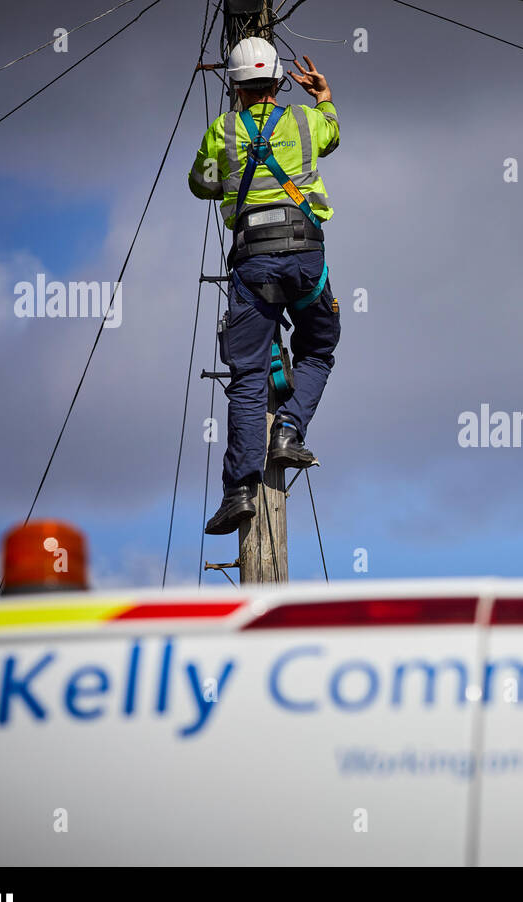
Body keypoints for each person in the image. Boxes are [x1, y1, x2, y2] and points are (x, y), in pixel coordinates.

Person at [189, 36, 341, 535]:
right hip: (304, 258)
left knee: (249, 376)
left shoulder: (221, 130)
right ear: (279, 81)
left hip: (253, 261)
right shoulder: (304, 120)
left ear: (233, 85)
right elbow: (332, 133)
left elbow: (200, 184)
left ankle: (238, 491)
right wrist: (322, 95)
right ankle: (290, 431)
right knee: (318, 347)